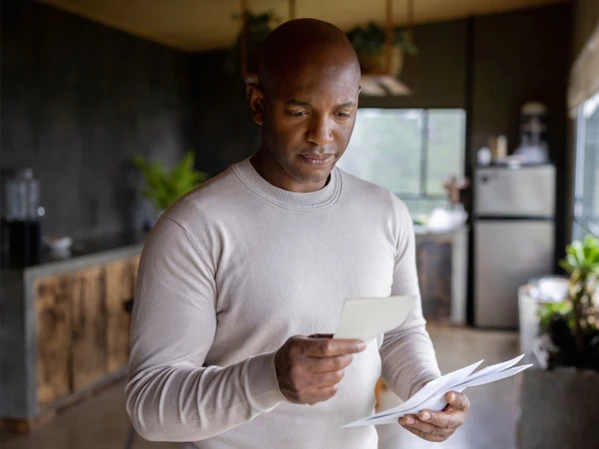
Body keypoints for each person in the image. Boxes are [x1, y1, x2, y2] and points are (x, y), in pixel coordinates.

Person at [125, 18, 469, 449]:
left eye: (342, 113)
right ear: (257, 103)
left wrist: (428, 390)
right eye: (299, 111)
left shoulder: (386, 213)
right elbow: (150, 407)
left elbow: (399, 332)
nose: (323, 136)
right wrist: (268, 378)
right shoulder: (194, 228)